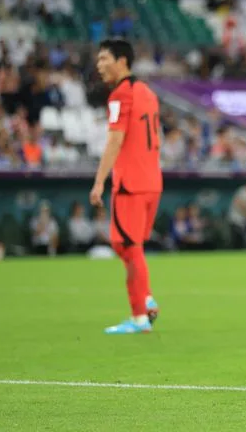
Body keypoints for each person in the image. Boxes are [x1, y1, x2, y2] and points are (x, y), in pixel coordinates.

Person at [90, 39, 163, 335]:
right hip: (152, 182)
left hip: (130, 183)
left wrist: (98, 181)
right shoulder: (147, 92)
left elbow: (115, 139)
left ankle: (139, 316)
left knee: (128, 247)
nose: (99, 64)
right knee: (128, 245)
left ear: (122, 61)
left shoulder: (120, 94)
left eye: (104, 58)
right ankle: (145, 297)